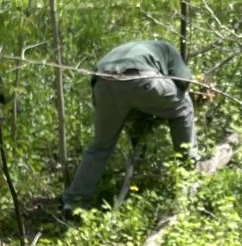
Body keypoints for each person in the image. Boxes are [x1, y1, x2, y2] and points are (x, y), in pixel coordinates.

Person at [62, 39, 196, 209]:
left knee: (100, 146)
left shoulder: (132, 48)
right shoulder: (169, 49)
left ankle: (74, 201)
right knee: (183, 105)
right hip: (140, 78)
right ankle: (189, 169)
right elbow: (184, 81)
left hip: (102, 82)